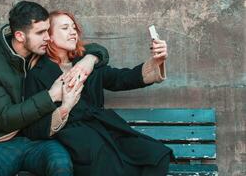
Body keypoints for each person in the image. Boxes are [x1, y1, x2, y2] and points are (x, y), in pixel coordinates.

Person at [0, 1, 109, 176]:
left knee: (60, 163)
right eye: (41, 33)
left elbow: (88, 48)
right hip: (0, 142)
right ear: (20, 36)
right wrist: (51, 96)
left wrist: (91, 59)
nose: (48, 38)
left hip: (40, 140)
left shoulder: (39, 47)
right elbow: (5, 118)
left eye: (48, 30)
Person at [22, 10, 173, 176]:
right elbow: (33, 127)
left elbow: (122, 78)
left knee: (156, 155)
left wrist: (156, 61)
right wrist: (64, 108)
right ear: (48, 36)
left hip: (105, 128)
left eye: (74, 27)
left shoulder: (86, 63)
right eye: (65, 28)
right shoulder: (36, 73)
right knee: (113, 168)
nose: (73, 32)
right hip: (76, 140)